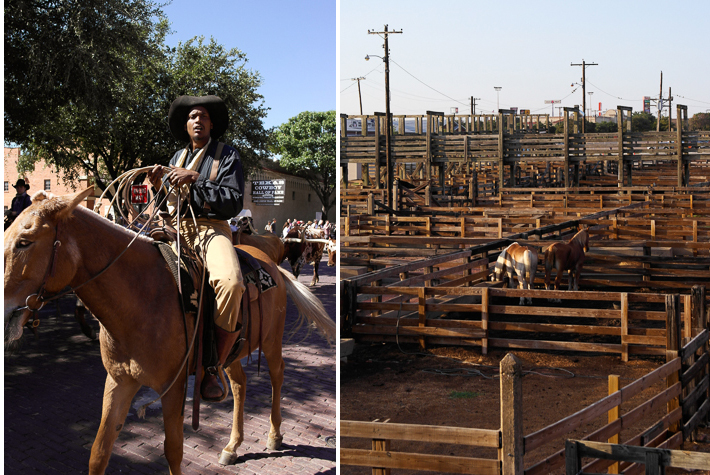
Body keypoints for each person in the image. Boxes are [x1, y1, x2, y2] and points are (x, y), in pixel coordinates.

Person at [148, 95, 245, 402]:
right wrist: (157, 186)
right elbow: (169, 203)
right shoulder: (176, 157)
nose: (198, 121)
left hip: (210, 229)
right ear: (186, 125)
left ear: (211, 124)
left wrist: (197, 179)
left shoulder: (227, 156)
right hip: (175, 229)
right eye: (192, 117)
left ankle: (215, 363)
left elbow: (232, 201)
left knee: (230, 283)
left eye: (203, 116)